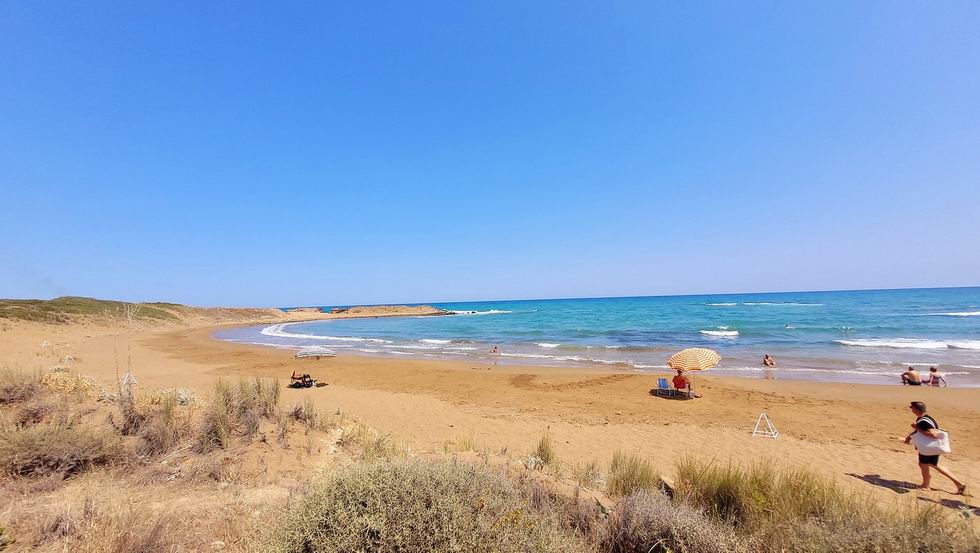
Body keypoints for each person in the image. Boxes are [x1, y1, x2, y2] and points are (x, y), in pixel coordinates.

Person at [904, 401, 966, 494]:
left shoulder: (923, 421)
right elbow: (921, 430)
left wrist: (916, 428)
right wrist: (909, 437)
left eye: (911, 407)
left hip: (929, 448)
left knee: (924, 465)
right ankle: (959, 484)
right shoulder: (926, 418)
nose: (911, 409)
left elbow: (933, 434)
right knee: (933, 465)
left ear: (916, 409)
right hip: (931, 447)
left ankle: (926, 485)